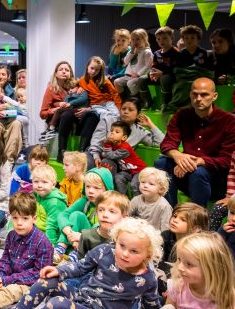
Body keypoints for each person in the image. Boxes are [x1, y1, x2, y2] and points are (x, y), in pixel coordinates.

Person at [0, 217, 161, 309]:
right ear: (115, 240)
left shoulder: (147, 279)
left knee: (59, 304)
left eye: (133, 251)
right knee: (49, 279)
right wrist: (58, 270)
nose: (124, 254)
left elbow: (153, 308)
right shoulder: (105, 251)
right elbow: (80, 267)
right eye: (121, 245)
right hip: (81, 297)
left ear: (147, 256)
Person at [155, 77, 235, 207]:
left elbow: (227, 160)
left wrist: (200, 161)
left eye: (204, 95)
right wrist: (178, 155)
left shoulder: (229, 121)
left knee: (198, 171)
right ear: (190, 95)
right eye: (195, 94)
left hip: (215, 180)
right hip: (186, 173)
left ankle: (197, 218)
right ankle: (170, 210)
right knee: (161, 163)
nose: (198, 99)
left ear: (214, 96)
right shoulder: (181, 115)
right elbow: (167, 143)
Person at [54, 167, 114, 261]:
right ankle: (60, 248)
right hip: (79, 237)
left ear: (107, 189)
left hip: (100, 240)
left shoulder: (111, 205)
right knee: (77, 215)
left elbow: (106, 232)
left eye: (96, 188)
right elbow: (63, 214)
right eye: (87, 186)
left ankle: (78, 253)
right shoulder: (86, 200)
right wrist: (70, 232)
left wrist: (82, 237)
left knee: (99, 225)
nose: (90, 191)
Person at [87, 98, 164, 170]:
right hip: (95, 153)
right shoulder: (108, 120)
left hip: (115, 162)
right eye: (123, 109)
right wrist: (96, 156)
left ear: (138, 114)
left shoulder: (140, 131)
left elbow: (161, 143)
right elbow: (96, 141)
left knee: (106, 164)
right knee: (84, 161)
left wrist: (151, 125)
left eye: (131, 110)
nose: (126, 112)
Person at [158, 203, 209, 295]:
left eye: (183, 220)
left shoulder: (198, 246)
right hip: (167, 274)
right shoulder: (166, 235)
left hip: (186, 279)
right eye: (175, 216)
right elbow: (158, 260)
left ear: (195, 228)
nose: (175, 220)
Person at [72, 190, 129, 262]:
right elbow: (80, 264)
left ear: (124, 218)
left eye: (112, 211)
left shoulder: (127, 240)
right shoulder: (86, 235)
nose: (104, 215)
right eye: (101, 210)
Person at [168, 25, 214, 110]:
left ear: (198, 39)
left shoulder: (204, 54)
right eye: (186, 38)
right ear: (183, 39)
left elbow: (208, 71)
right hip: (184, 80)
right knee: (183, 85)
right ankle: (181, 106)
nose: (189, 40)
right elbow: (177, 71)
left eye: (192, 38)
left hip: (200, 79)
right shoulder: (179, 54)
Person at [137, 26, 179, 110]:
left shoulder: (176, 52)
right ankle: (147, 101)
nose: (161, 41)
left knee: (164, 78)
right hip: (158, 76)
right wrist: (152, 73)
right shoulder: (157, 53)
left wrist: (162, 73)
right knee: (141, 79)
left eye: (164, 38)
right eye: (158, 39)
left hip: (170, 76)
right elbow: (154, 66)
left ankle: (165, 103)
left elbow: (176, 69)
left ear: (172, 38)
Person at [100, 120, 146, 195]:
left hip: (139, 171)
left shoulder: (125, 148)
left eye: (117, 132)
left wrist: (107, 144)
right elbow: (105, 155)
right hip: (128, 171)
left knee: (134, 185)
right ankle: (122, 198)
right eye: (111, 131)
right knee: (118, 178)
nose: (112, 133)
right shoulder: (113, 144)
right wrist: (108, 146)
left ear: (124, 137)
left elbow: (111, 155)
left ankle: (139, 202)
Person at [38, 76, 88, 143]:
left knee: (63, 112)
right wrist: (62, 104)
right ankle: (51, 128)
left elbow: (82, 99)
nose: (70, 90)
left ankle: (51, 129)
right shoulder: (68, 95)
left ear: (77, 87)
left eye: (72, 88)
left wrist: (70, 103)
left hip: (78, 112)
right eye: (68, 89)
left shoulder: (81, 92)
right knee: (60, 111)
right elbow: (65, 101)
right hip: (70, 112)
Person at [30, 165, 67, 246]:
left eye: (44, 182)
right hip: (37, 232)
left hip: (51, 238)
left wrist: (50, 246)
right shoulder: (37, 195)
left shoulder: (54, 202)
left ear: (53, 184)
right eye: (36, 181)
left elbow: (52, 227)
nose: (39, 185)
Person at [114, 28, 154, 102]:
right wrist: (132, 51)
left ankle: (138, 100)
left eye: (138, 39)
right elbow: (125, 61)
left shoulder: (147, 52)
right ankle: (124, 100)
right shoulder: (133, 51)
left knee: (130, 83)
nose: (135, 42)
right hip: (128, 75)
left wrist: (138, 74)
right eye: (133, 39)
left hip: (140, 75)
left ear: (144, 39)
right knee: (117, 81)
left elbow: (148, 66)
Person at [129, 167, 173, 232]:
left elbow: (166, 230)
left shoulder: (164, 206)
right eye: (143, 182)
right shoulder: (136, 200)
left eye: (151, 184)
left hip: (155, 237)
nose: (145, 185)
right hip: (137, 233)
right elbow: (126, 216)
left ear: (161, 189)